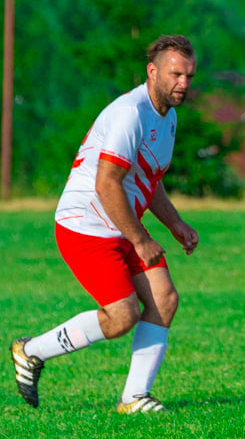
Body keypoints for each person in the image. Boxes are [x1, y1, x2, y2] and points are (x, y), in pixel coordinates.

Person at [9, 34, 199, 413]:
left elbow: (149, 177)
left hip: (119, 222)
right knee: (121, 316)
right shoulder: (130, 113)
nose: (184, 83)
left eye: (189, 76)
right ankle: (30, 351)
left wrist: (175, 223)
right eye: (176, 74)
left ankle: (133, 398)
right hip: (86, 226)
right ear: (153, 71)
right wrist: (142, 239)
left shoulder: (168, 116)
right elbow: (107, 182)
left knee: (164, 299)